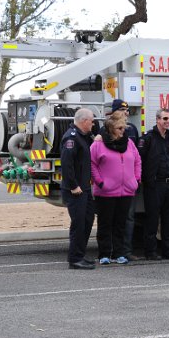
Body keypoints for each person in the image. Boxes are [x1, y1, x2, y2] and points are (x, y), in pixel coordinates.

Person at [90, 112, 141, 265]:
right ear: (111, 129)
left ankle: (119, 253)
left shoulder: (129, 143)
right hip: (105, 192)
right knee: (105, 224)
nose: (122, 131)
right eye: (119, 128)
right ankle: (104, 254)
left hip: (126, 191)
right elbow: (92, 164)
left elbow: (137, 161)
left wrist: (136, 180)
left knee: (121, 224)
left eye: (123, 128)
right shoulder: (98, 144)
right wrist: (100, 183)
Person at [138, 108, 169, 260]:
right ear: (157, 120)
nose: (167, 121)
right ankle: (151, 252)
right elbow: (139, 160)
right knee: (152, 219)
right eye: (165, 119)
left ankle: (168, 250)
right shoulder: (148, 138)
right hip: (155, 185)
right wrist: (145, 180)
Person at [60, 108, 96, 270]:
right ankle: (74, 259)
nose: (93, 124)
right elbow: (67, 165)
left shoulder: (84, 137)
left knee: (88, 221)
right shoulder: (71, 138)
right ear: (84, 121)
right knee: (79, 223)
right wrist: (74, 186)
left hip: (85, 189)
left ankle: (80, 255)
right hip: (75, 190)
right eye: (92, 121)